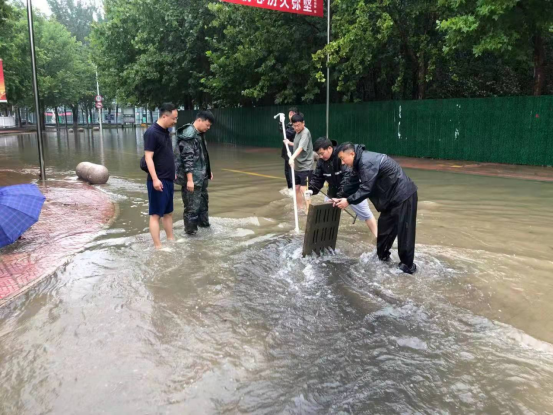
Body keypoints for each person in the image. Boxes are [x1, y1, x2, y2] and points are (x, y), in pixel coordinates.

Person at [334, 142, 418, 274]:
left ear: (352, 154)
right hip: (389, 200)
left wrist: (348, 201)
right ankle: (383, 258)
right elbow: (352, 183)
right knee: (384, 231)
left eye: (342, 158)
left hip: (404, 195)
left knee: (405, 233)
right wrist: (339, 197)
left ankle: (407, 268)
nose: (342, 163)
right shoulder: (358, 164)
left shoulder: (367, 161)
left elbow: (367, 188)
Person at [309, 137, 378, 238]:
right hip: (333, 194)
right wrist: (311, 189)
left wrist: (341, 196)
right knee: (323, 215)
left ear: (329, 148)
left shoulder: (341, 156)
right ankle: (323, 238)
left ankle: (377, 238)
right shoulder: (321, 162)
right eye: (318, 154)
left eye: (321, 153)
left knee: (367, 215)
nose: (320, 156)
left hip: (351, 192)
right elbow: (317, 179)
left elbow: (348, 177)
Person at [144, 103, 178, 249]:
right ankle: (158, 247)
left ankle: (171, 239)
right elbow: (148, 157)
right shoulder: (152, 133)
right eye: (174, 118)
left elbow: (166, 154)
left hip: (168, 178)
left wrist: (173, 172)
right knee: (156, 215)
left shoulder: (165, 131)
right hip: (158, 180)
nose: (175, 121)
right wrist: (155, 179)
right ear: (165, 116)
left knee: (168, 213)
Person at [175, 110, 215, 235]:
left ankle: (205, 228)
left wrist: (208, 170)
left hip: (201, 176)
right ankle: (191, 235)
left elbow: (202, 155)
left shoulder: (199, 133)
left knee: (203, 204)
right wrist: (190, 180)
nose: (208, 128)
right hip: (192, 179)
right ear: (199, 120)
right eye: (207, 125)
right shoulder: (189, 135)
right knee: (191, 208)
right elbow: (188, 159)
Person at [284, 113, 313, 212]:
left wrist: (291, 158)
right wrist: (289, 143)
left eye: (298, 125)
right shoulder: (297, 133)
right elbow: (297, 145)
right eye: (294, 126)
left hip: (306, 166)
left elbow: (301, 148)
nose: (296, 128)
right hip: (297, 166)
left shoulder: (305, 132)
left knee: (303, 189)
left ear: (303, 123)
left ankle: (308, 210)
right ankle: (300, 208)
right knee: (296, 188)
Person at [278, 107, 298, 190]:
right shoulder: (289, 124)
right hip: (287, 152)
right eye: (290, 113)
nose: (290, 115)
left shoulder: (297, 125)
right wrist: (281, 123)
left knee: (291, 172)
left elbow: (287, 134)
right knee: (287, 172)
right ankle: (290, 188)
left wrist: (282, 125)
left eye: (292, 113)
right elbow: (281, 131)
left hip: (293, 152)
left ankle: (294, 188)